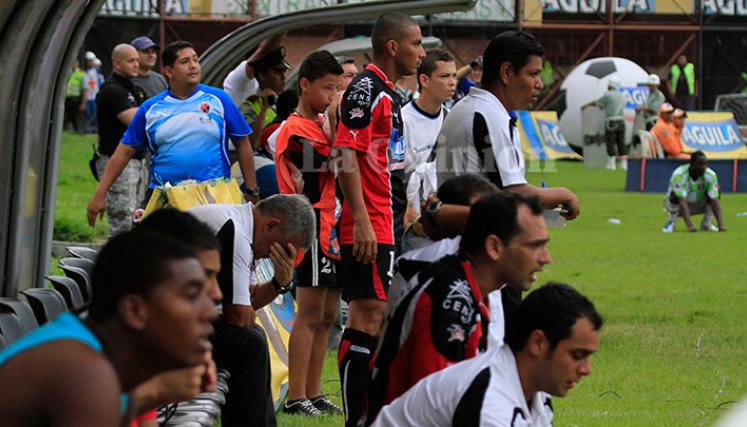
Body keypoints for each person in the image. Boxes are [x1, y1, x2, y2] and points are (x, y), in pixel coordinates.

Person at [435, 30, 579, 344]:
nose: (540, 83)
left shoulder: (472, 109)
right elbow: (513, 192)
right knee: (502, 352)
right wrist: (563, 195)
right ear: (506, 72)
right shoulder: (488, 114)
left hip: (464, 250)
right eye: (534, 73)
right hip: (482, 254)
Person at [366, 191, 552, 424]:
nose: (546, 258)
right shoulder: (448, 300)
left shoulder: (468, 288)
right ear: (494, 247)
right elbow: (434, 410)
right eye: (534, 245)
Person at [0, 229, 217, 426]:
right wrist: (158, 390)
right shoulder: (83, 372)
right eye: (191, 295)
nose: (210, 311)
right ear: (133, 311)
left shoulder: (107, 362)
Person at [332, 12, 425, 427]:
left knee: (376, 316)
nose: (421, 53)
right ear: (392, 46)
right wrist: (364, 219)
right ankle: (356, 420)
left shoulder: (389, 93)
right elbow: (344, 154)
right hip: (367, 224)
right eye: (416, 44)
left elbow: (385, 161)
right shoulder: (365, 90)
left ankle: (369, 413)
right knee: (366, 314)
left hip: (385, 219)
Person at [372, 282, 603, 427]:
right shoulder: (487, 403)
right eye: (577, 355)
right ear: (538, 343)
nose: (587, 369)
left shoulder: (537, 391)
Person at [87, 40, 259, 228]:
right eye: (185, 61)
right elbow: (123, 152)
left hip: (213, 196)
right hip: (165, 197)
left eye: (195, 60)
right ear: (169, 71)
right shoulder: (150, 109)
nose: (193, 66)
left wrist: (251, 189)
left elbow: (243, 143)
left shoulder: (219, 100)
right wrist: (100, 193)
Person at [187, 194, 316, 427]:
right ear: (271, 226)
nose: (275, 257)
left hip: (165, 316)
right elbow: (238, 316)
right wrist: (247, 310)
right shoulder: (236, 232)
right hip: (149, 321)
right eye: (283, 250)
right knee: (248, 341)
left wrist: (279, 282)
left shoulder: (244, 229)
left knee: (252, 336)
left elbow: (249, 302)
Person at [274, 50, 344, 417]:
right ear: (304, 85)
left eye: (339, 88)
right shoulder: (294, 129)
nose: (334, 96)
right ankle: (295, 395)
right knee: (310, 313)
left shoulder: (320, 126)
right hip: (311, 226)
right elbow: (332, 165)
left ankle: (314, 392)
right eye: (328, 88)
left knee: (329, 315)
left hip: (333, 228)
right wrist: (337, 125)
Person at [130, 208, 224, 426]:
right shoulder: (81, 360)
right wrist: (157, 390)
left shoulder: (136, 354)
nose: (216, 294)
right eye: (202, 278)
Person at [93, 43, 148, 238]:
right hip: (117, 162)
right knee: (122, 221)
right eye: (130, 60)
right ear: (116, 64)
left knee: (136, 217)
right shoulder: (112, 91)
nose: (136, 64)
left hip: (138, 162)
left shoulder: (136, 90)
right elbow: (138, 122)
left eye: (136, 60)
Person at [402, 49, 456, 230]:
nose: (452, 82)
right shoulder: (402, 120)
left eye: (454, 76)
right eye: (444, 76)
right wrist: (408, 213)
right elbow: (391, 176)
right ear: (424, 80)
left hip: (441, 220)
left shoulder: (451, 119)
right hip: (408, 222)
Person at [662, 151, 725, 233]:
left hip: (698, 204)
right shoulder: (679, 174)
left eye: (705, 164)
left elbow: (714, 200)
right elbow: (682, 202)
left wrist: (721, 225)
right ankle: (671, 222)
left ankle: (706, 224)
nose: (703, 167)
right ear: (692, 164)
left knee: (717, 191)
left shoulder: (710, 175)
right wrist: (690, 226)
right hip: (679, 207)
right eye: (700, 164)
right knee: (674, 195)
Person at [585, 76, 627, 170]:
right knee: (621, 142)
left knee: (611, 142)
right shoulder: (622, 95)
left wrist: (585, 106)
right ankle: (624, 164)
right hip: (621, 121)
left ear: (610, 85)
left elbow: (596, 102)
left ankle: (611, 164)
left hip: (611, 121)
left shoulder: (608, 95)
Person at [64, 58, 87, 133]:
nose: (73, 65)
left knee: (77, 117)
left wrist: (83, 103)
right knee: (67, 116)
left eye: (74, 63)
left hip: (77, 99)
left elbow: (84, 89)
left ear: (77, 64)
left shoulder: (81, 73)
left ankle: (78, 131)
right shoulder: (66, 73)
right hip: (67, 98)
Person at [84, 51, 101, 133]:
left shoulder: (97, 73)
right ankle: (87, 129)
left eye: (91, 61)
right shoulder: (86, 72)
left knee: (95, 115)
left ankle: (94, 129)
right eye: (88, 61)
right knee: (88, 114)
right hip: (88, 97)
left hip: (94, 96)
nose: (90, 62)